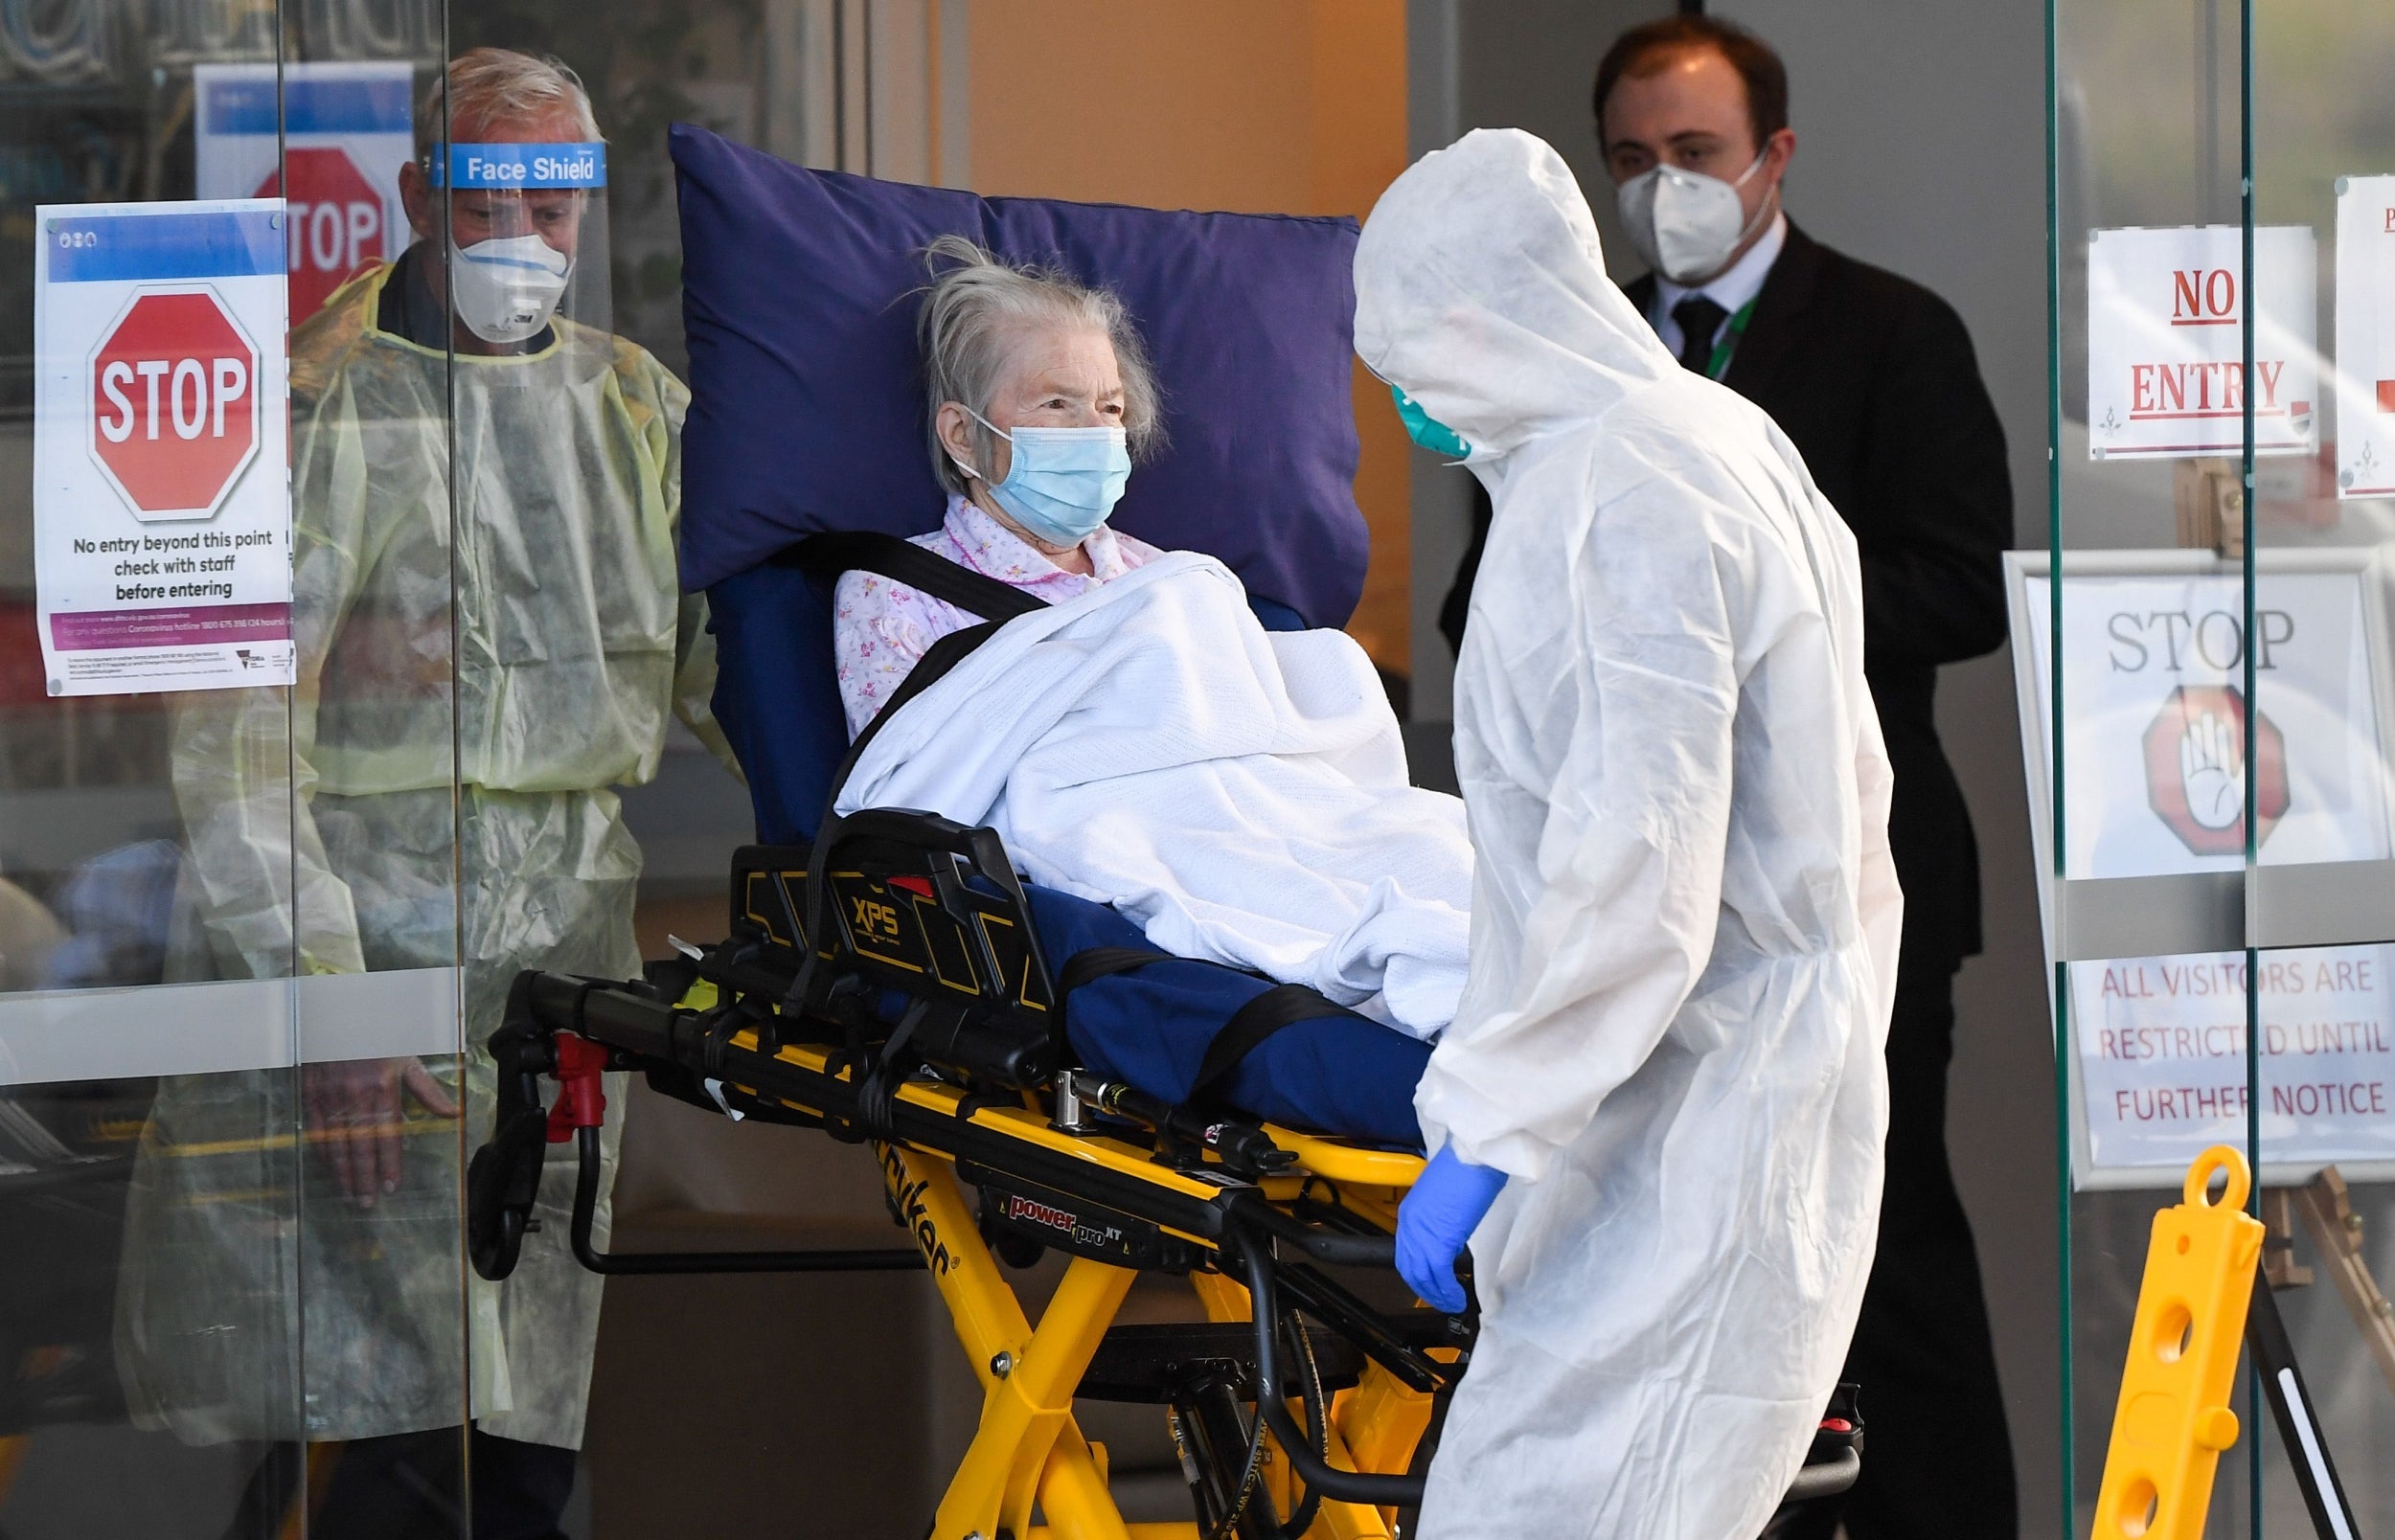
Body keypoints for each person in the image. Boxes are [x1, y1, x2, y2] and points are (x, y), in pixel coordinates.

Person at [115, 49, 733, 1539]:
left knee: (524, 1382)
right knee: (374, 1405)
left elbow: (718, 671)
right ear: (413, 195)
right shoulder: (317, 407)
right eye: (485, 198)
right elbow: (238, 741)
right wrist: (332, 1001)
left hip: (562, 963)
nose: (524, 239)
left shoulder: (633, 408)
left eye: (555, 205)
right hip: (366, 955)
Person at [1441, 19, 2019, 1535]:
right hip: (1649, 897)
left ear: (1774, 154)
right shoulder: (1571, 353)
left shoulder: (1894, 334)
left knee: (1881, 1266)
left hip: (1822, 885)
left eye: (1694, 155)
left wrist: (1741, 628)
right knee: (1684, 1286)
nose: (1662, 191)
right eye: (1630, 161)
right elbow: (1485, 598)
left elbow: (1965, 582)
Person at [1359, 127, 1902, 1539]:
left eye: (1411, 367)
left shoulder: (1621, 494)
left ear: (1476, 325)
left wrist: (1490, 1122)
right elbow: (1843, 811)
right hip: (1731, 1082)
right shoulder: (1711, 437)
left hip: (1700, 1113)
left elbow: (1639, 873)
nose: (1410, 407)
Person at [833, 236, 1167, 736]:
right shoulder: (897, 595)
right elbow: (912, 782)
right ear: (963, 437)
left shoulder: (1163, 578)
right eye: (1056, 403)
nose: (1096, 430)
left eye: (1111, 408)